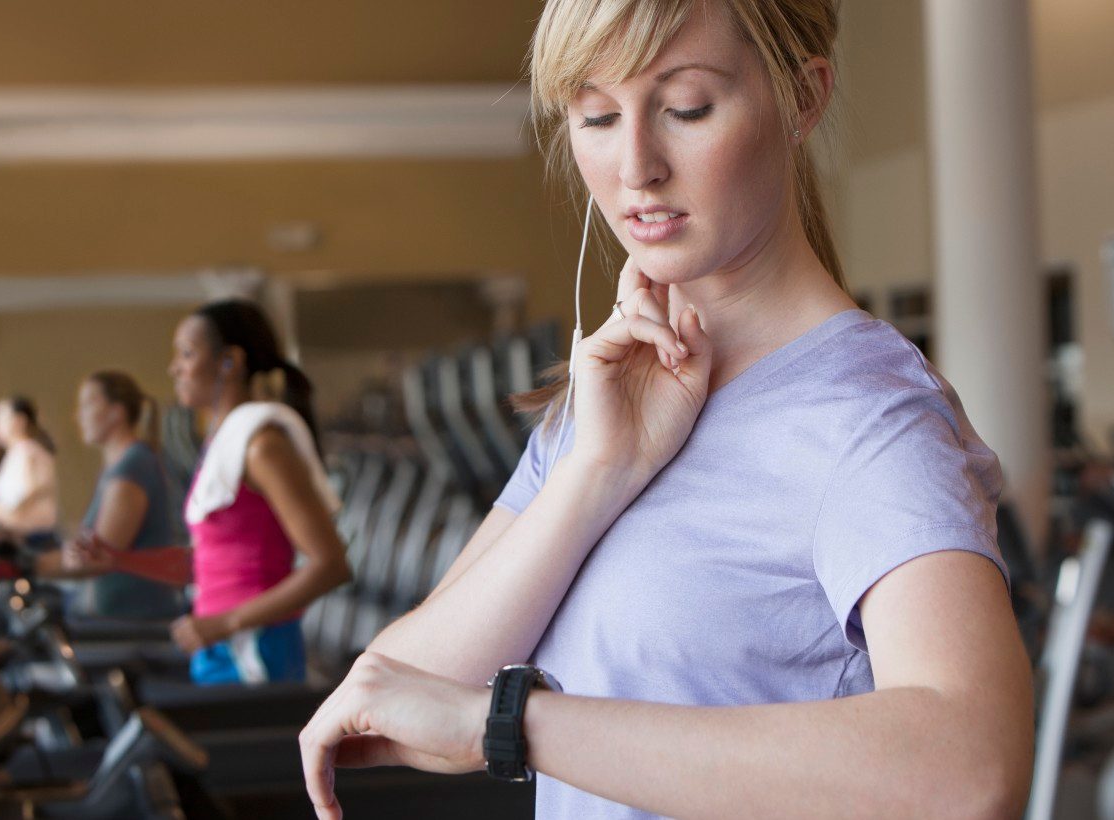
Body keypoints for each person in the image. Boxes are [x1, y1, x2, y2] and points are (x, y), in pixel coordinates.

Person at [297, 2, 1035, 818]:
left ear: (803, 98)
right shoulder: (604, 407)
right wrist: (599, 473)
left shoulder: (866, 416)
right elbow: (395, 704)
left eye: (686, 107)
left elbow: (970, 770)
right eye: (597, 116)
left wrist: (514, 725)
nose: (635, 165)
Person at [75, 300, 351, 685]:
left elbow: (330, 565)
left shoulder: (261, 446)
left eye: (187, 354)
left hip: (254, 648)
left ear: (229, 363)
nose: (174, 368)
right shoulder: (224, 445)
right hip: (221, 643)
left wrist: (224, 623)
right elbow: (206, 563)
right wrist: (119, 560)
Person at [34, 371, 185, 620]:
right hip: (114, 613)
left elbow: (99, 557)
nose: (78, 415)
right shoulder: (117, 466)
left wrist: (30, 565)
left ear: (117, 412)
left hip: (133, 620)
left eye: (87, 405)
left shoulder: (134, 464)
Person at [0, 396, 58, 549]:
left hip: (34, 539)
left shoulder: (28, 452)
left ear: (19, 420)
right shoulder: (15, 452)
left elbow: (19, 504)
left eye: (0, 416)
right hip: (26, 537)